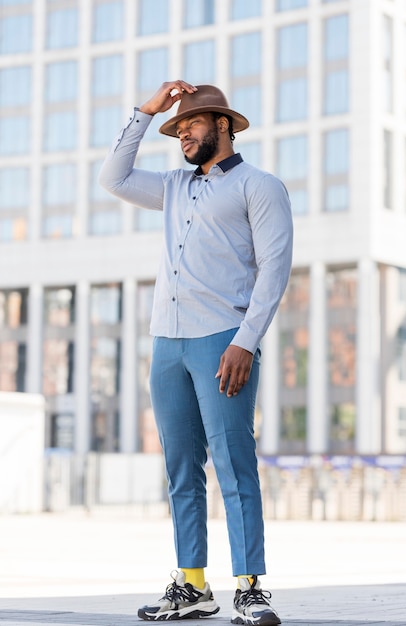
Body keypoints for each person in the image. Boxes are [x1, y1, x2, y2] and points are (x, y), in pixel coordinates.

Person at [99, 80, 293, 625]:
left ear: (224, 126)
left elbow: (274, 270)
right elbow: (111, 177)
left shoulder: (260, 186)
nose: (183, 132)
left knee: (234, 466)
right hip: (167, 341)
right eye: (178, 127)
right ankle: (191, 586)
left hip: (223, 340)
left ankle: (250, 589)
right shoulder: (173, 187)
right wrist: (145, 111)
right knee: (181, 469)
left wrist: (244, 341)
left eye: (193, 123)